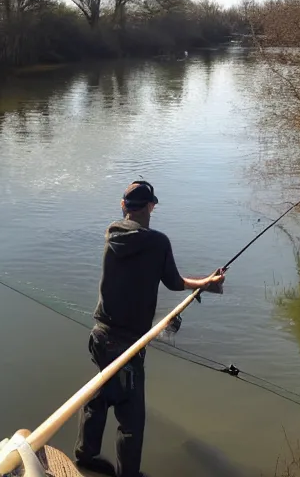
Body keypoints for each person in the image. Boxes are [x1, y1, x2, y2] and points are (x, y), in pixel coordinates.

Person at [74, 181, 226, 477]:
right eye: (152, 206)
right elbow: (173, 282)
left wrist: (204, 283)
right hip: (127, 345)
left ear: (123, 207)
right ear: (148, 207)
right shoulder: (157, 242)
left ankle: (85, 456)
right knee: (131, 418)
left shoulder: (111, 233)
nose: (153, 210)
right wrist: (206, 283)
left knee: (100, 396)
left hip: (100, 335)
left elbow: (165, 279)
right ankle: (128, 474)